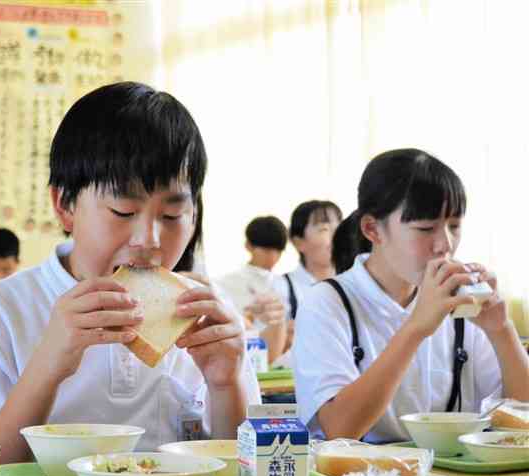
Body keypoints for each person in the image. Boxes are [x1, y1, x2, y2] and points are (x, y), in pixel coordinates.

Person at [0, 82, 261, 466]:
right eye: (124, 211)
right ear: (65, 205)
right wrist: (48, 367)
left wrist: (227, 384)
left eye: (172, 215)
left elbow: (249, 473)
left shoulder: (206, 313)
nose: (149, 240)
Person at [294, 148, 529, 443]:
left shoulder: (462, 302)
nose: (445, 244)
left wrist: (501, 330)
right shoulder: (327, 302)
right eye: (426, 228)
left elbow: (521, 419)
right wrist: (416, 328)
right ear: (372, 230)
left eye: (454, 226)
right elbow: (340, 429)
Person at [217, 216, 289, 363]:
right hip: (241, 359)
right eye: (266, 250)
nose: (273, 257)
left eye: (278, 251)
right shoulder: (226, 283)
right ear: (248, 246)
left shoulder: (283, 283)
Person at [273, 200, 342, 320]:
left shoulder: (357, 282)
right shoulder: (280, 288)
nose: (337, 235)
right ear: (298, 242)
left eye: (340, 227)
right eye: (324, 229)